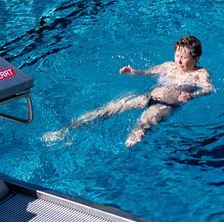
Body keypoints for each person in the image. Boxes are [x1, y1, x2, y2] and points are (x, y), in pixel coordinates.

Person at [44, 36, 213, 147]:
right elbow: (149, 72)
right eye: (177, 55)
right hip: (147, 97)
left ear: (196, 58)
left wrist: (193, 95)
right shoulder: (170, 65)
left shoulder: (200, 74)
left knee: (145, 122)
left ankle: (137, 134)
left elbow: (209, 89)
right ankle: (67, 130)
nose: (178, 60)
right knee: (106, 110)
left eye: (183, 57)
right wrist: (135, 72)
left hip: (165, 105)